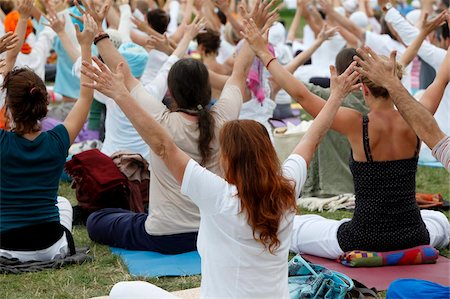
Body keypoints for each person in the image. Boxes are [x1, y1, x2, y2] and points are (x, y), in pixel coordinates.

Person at [81, 25, 361, 299]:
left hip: (173, 241)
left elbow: (164, 147)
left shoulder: (218, 196)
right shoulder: (287, 186)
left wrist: (120, 94)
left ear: (228, 160)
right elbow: (312, 137)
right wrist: (335, 96)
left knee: (121, 290)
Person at [241, 19, 450, 259]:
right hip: (413, 235)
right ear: (396, 83)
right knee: (438, 220)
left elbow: (301, 94)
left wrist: (263, 53)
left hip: (362, 238)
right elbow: (442, 78)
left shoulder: (356, 124)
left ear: (364, 89)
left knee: (296, 226)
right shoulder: (419, 118)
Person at [0, 14, 97, 261]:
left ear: (8, 107)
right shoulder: (57, 140)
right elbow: (86, 97)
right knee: (62, 202)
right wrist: (86, 46)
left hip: (6, 247)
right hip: (51, 245)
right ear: (44, 103)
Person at [354, 47, 450, 172]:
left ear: (365, 89)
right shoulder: (418, 121)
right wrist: (390, 81)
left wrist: (337, 95)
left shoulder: (353, 123)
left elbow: (441, 80)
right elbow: (440, 81)